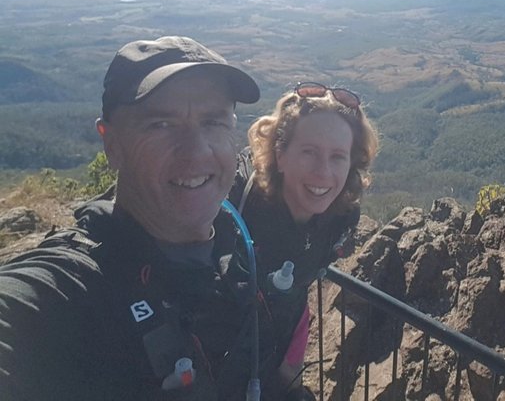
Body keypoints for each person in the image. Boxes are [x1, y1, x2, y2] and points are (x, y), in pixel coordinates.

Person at [0, 36, 263, 400]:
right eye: (161, 124)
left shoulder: (232, 250)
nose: (196, 151)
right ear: (111, 144)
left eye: (214, 121)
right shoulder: (69, 290)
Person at [229, 82, 379, 400]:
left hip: (284, 332)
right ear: (280, 155)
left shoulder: (341, 217)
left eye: (338, 157)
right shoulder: (239, 207)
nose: (323, 172)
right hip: (223, 346)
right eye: (308, 152)